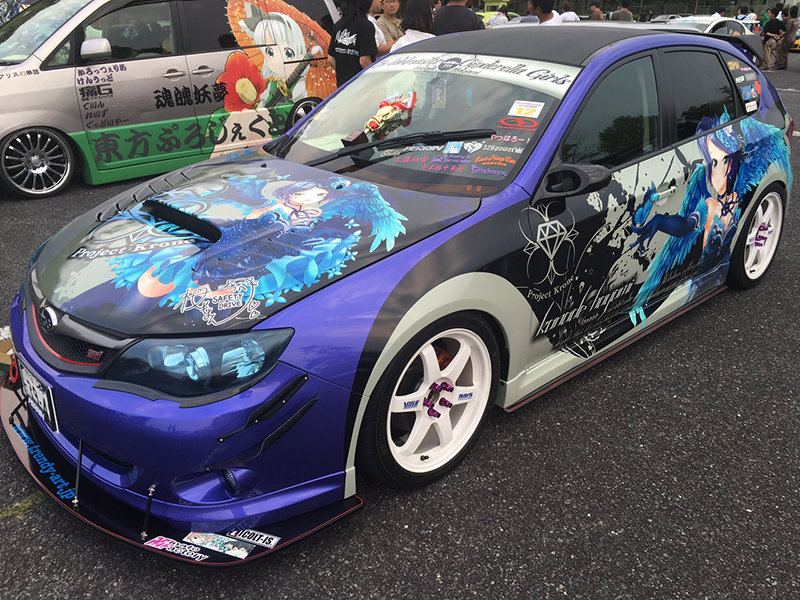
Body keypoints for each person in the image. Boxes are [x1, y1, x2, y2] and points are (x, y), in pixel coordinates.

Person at [328, 0, 378, 87]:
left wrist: (343, 73)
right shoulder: (366, 26)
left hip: (343, 86)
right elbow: (364, 61)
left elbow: (330, 58)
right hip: (361, 85)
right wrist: (376, 80)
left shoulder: (338, 25)